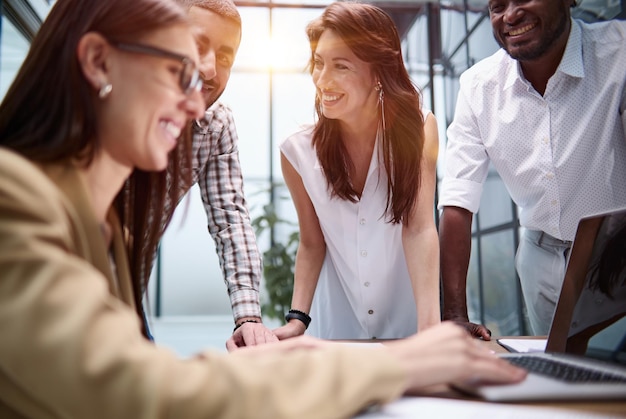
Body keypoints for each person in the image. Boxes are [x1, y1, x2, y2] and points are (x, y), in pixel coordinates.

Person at [0, 0, 527, 417]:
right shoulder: (15, 201)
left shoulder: (98, 223)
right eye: (179, 66)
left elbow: (232, 224)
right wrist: (382, 364)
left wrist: (268, 331)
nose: (199, 94)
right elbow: (145, 397)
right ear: (98, 61)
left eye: (215, 62)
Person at [438, 0, 626, 338]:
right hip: (539, 257)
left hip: (617, 251)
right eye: (497, 6)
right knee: (559, 376)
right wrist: (453, 315)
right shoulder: (478, 87)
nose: (510, 15)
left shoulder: (619, 53)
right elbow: (457, 201)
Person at [276, 1, 441, 340]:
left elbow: (419, 228)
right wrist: (297, 319)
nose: (323, 80)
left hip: (407, 329)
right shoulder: (297, 152)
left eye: (341, 66)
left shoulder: (419, 130)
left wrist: (430, 328)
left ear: (379, 73)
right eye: (319, 63)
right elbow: (311, 243)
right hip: (334, 331)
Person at [151, 0, 278, 350]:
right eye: (196, 45)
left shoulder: (216, 124)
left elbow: (230, 220)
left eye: (225, 57)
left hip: (131, 281)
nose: (209, 69)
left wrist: (249, 317)